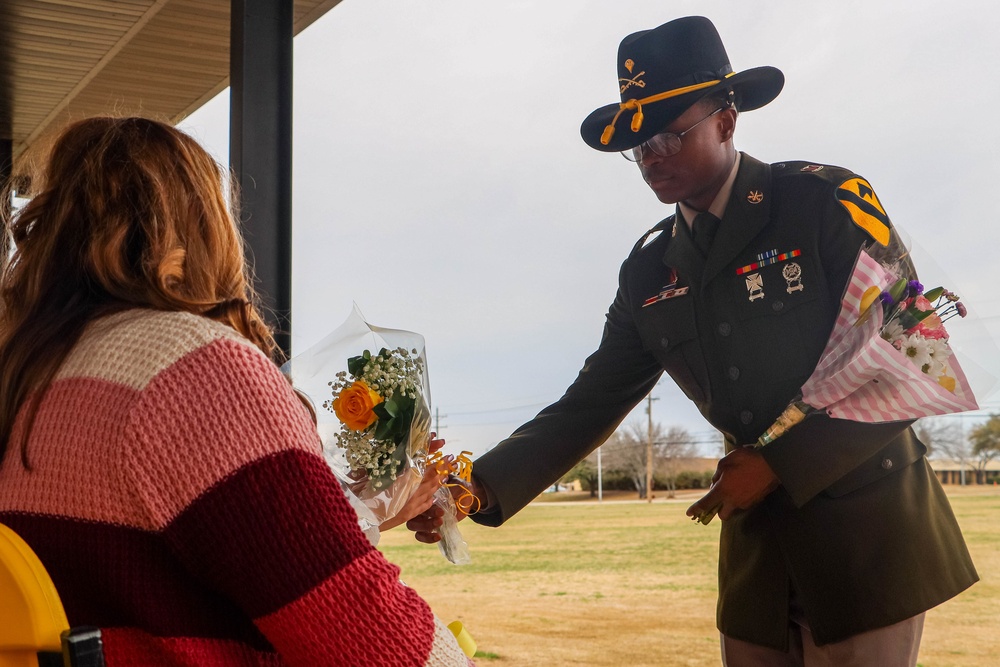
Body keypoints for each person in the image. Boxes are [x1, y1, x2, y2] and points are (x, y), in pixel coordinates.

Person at [408, 16, 977, 666]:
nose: (651, 157)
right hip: (757, 561)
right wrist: (475, 485)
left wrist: (776, 464)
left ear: (728, 121)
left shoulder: (822, 204)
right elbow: (591, 400)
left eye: (669, 136)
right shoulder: (650, 268)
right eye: (639, 145)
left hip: (867, 542)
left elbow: (915, 354)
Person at [0, 116, 472, 666]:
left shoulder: (29, 373)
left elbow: (173, 568)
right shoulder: (191, 368)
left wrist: (359, 516)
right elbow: (365, 638)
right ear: (202, 226)